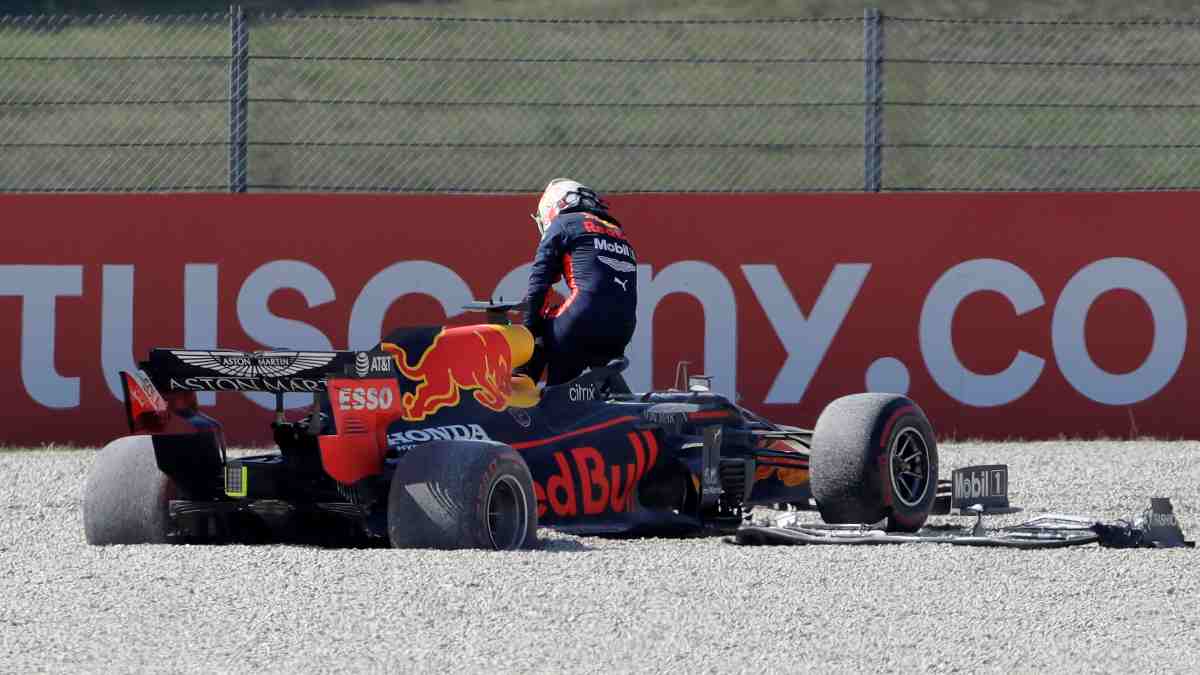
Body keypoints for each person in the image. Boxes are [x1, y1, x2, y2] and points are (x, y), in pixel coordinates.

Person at [516, 178, 638, 386]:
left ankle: (518, 400)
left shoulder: (563, 224)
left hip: (581, 321)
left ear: (553, 207)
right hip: (622, 329)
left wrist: (528, 331)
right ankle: (610, 395)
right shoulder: (619, 233)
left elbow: (538, 286)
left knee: (539, 330)